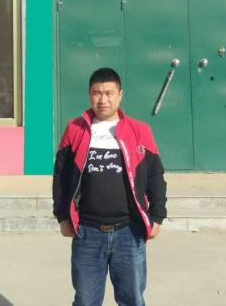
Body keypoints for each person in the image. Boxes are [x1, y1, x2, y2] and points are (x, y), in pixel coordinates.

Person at [52, 67, 167, 306]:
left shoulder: (139, 130)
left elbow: (156, 176)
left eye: (109, 93)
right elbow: (61, 176)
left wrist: (157, 216)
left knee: (133, 299)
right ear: (89, 95)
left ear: (120, 95)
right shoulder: (75, 129)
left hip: (129, 232)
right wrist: (62, 216)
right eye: (97, 93)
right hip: (87, 232)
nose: (103, 100)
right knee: (85, 301)